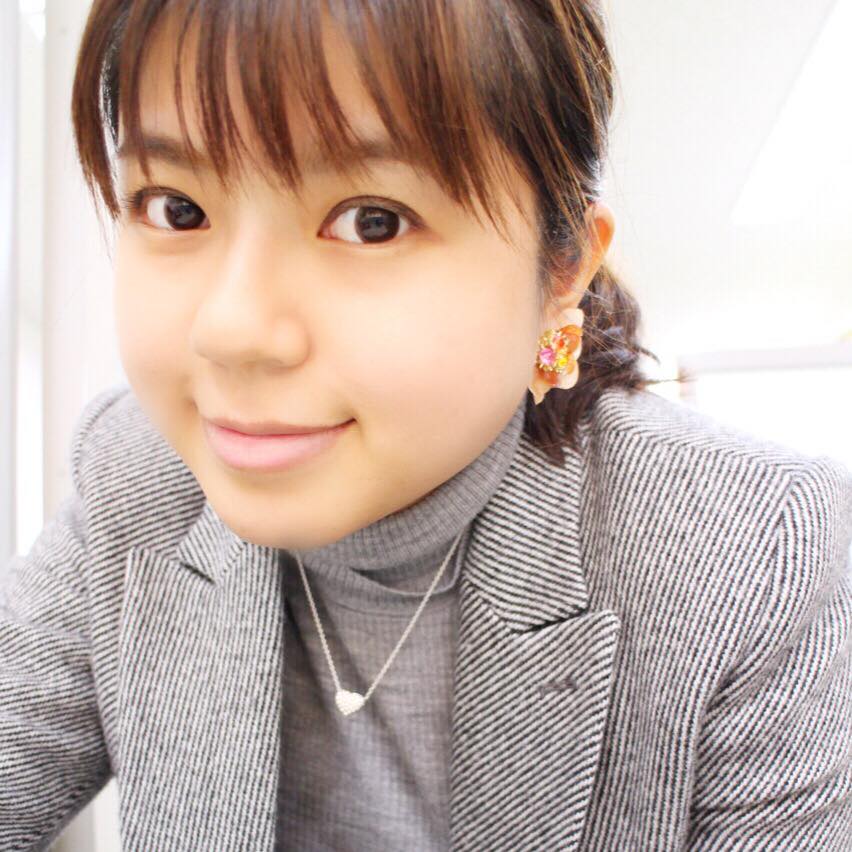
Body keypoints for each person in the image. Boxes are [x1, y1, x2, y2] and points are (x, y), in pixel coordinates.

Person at [2, 1, 850, 849]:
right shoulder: (137, 477)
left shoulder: (754, 552)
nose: (231, 331)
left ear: (562, 270)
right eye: (176, 208)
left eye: (371, 220)